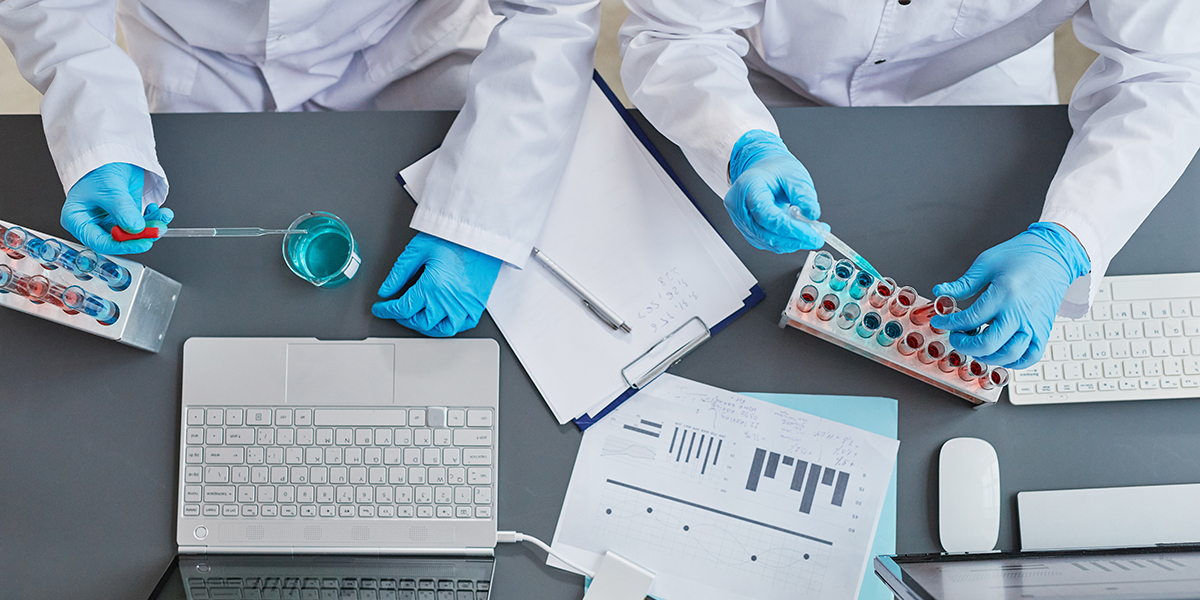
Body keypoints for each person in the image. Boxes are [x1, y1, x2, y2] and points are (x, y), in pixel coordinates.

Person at [619, 0, 1200, 369]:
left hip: (976, 85)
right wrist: (739, 141)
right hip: (769, 79)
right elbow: (676, 33)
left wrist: (1070, 236)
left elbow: (1167, 72)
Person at [0, 0, 600, 337]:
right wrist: (101, 138)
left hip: (404, 40)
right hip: (198, 54)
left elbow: (552, 15)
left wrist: (479, 221)